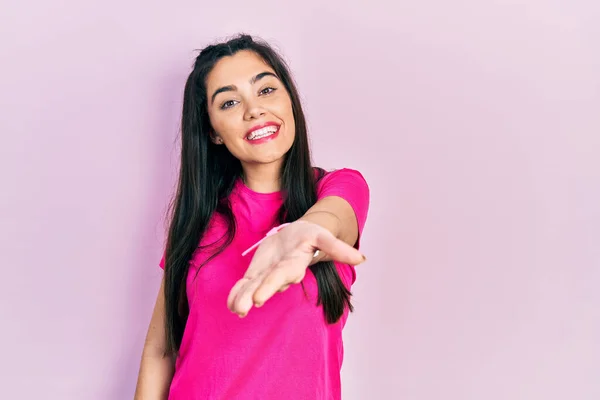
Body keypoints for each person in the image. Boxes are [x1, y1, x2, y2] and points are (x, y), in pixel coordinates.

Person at [134, 33, 370, 400]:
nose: (253, 110)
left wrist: (306, 234)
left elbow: (333, 217)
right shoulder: (198, 220)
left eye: (265, 90)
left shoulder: (339, 188)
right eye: (229, 102)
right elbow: (161, 350)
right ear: (212, 131)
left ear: (289, 100)